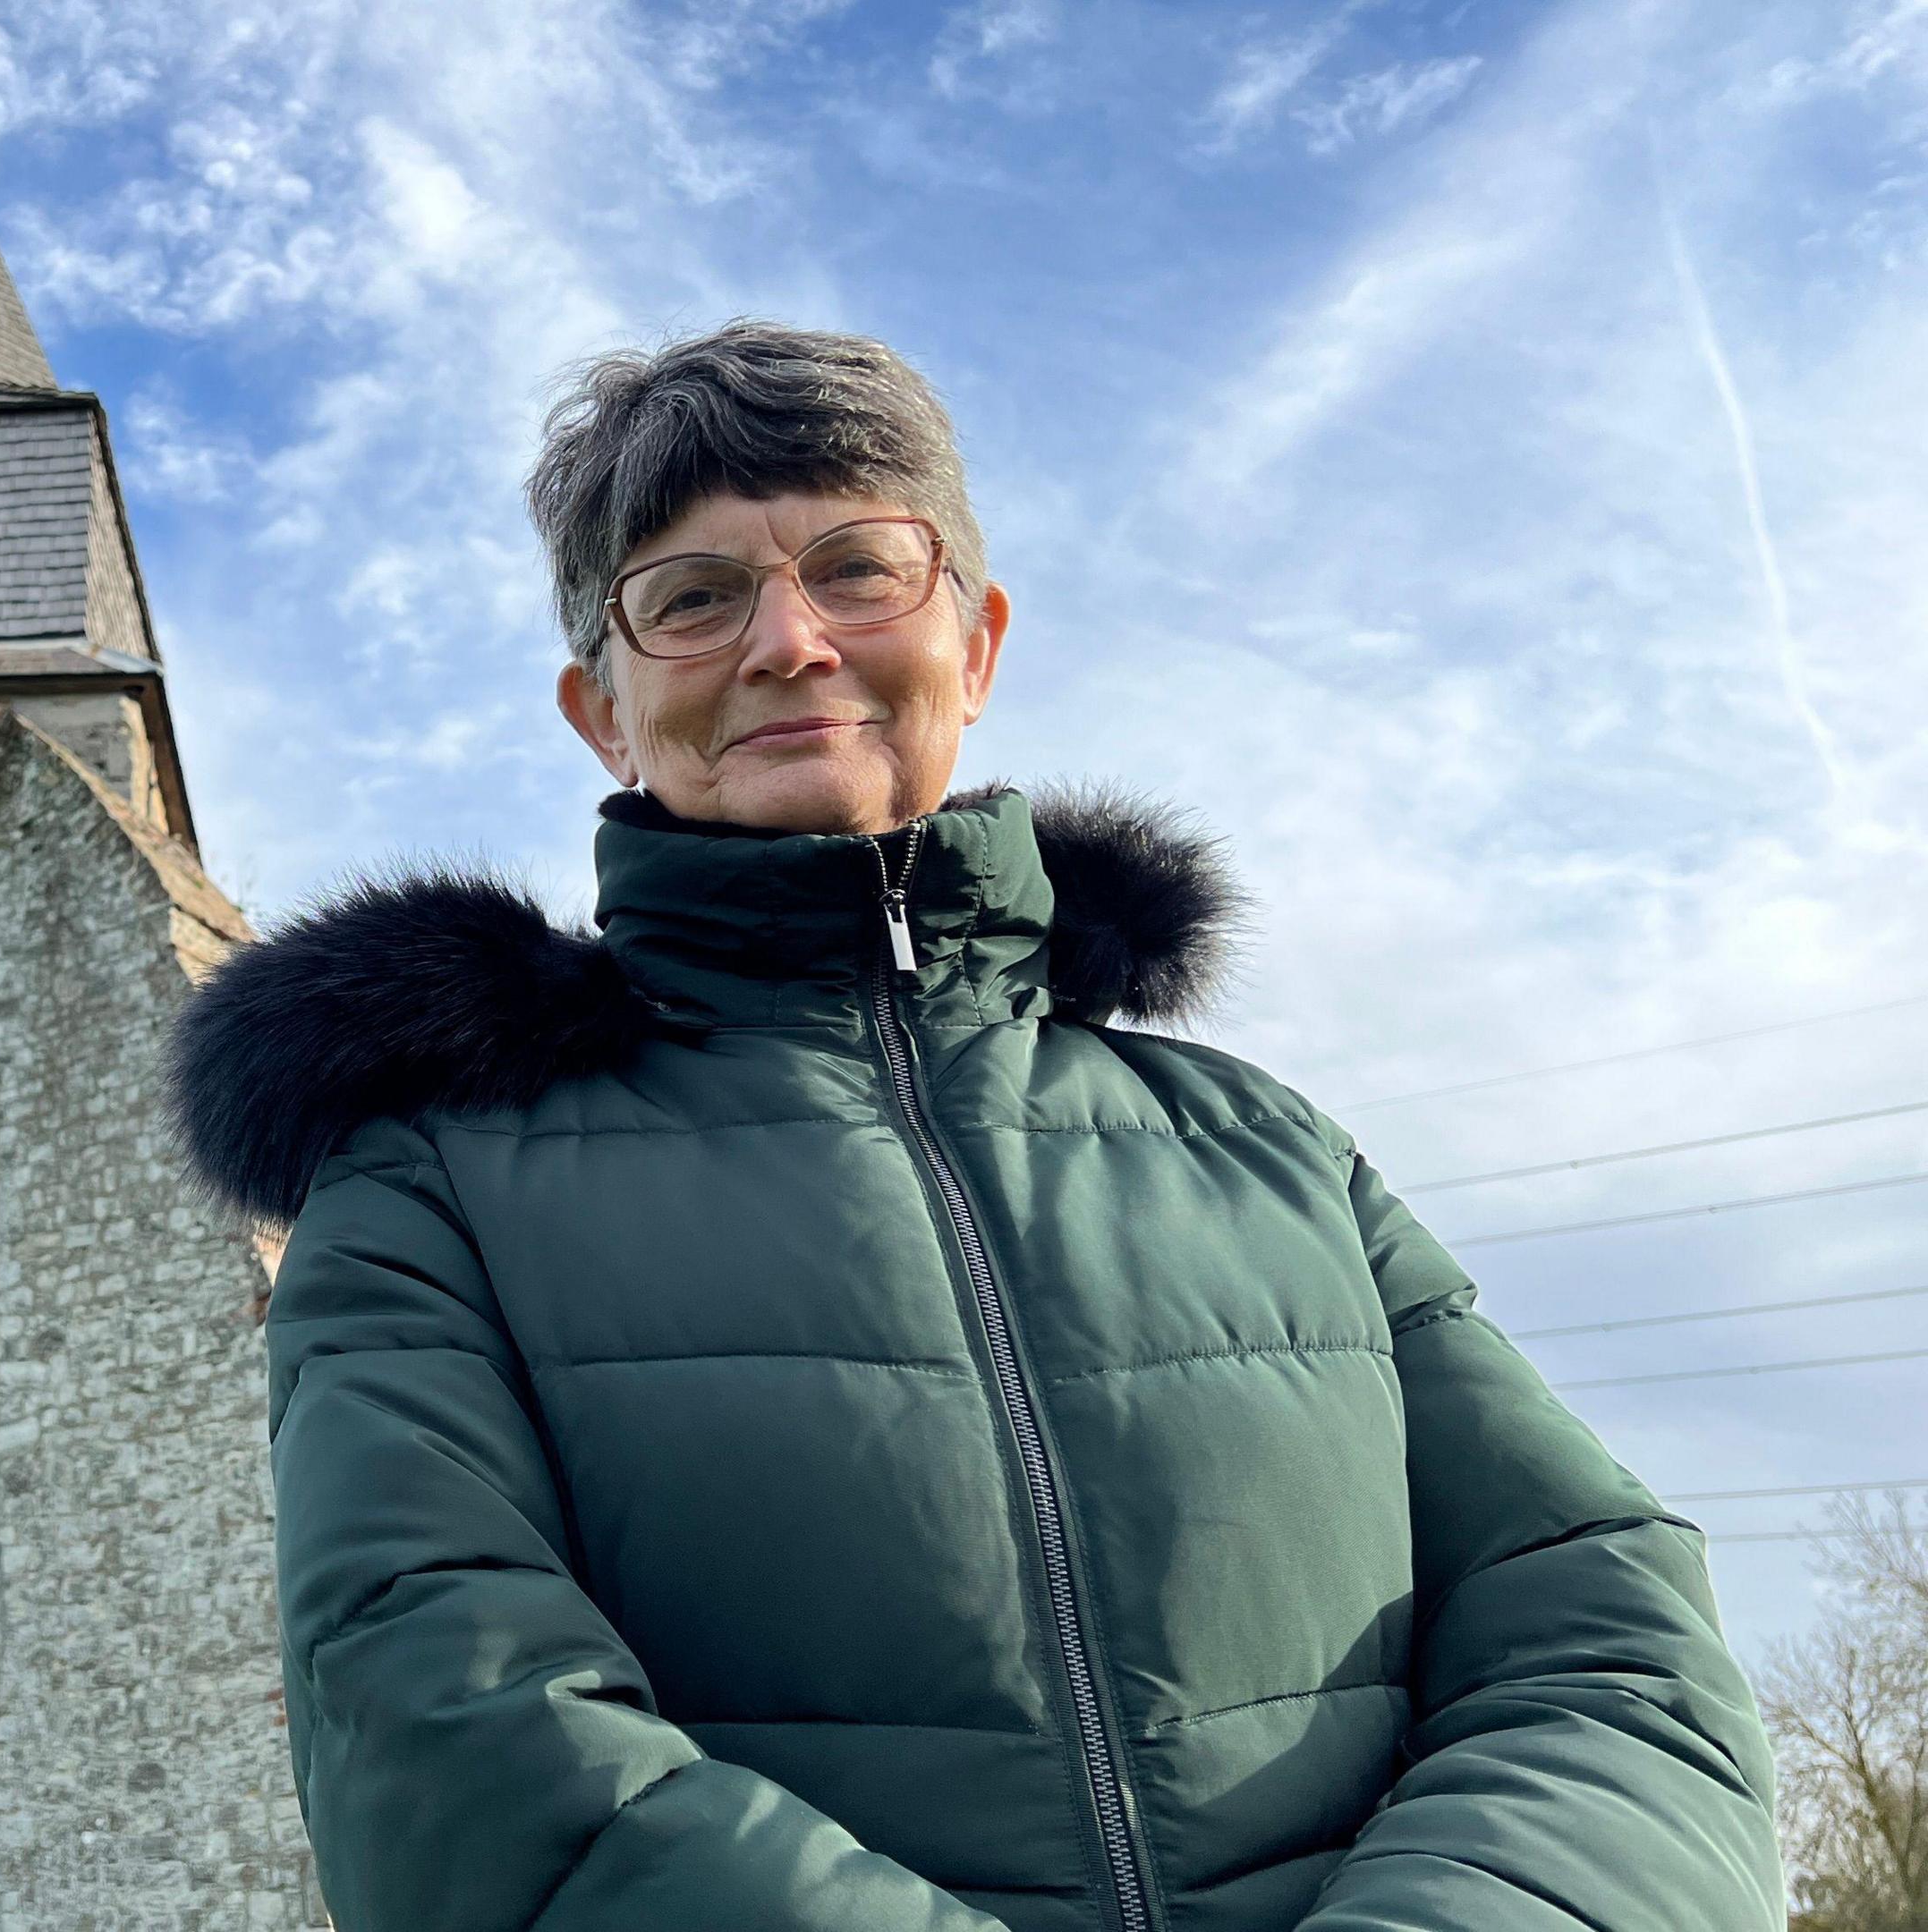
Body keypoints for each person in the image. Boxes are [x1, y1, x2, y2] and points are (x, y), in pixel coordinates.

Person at [168, 323, 1783, 1932]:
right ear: (604, 708)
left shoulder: (1273, 1157)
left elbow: (1611, 1639)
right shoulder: (429, 1194)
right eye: (693, 595)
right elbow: (461, 1745)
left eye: (861, 566)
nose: (791, 641)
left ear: (977, 643)